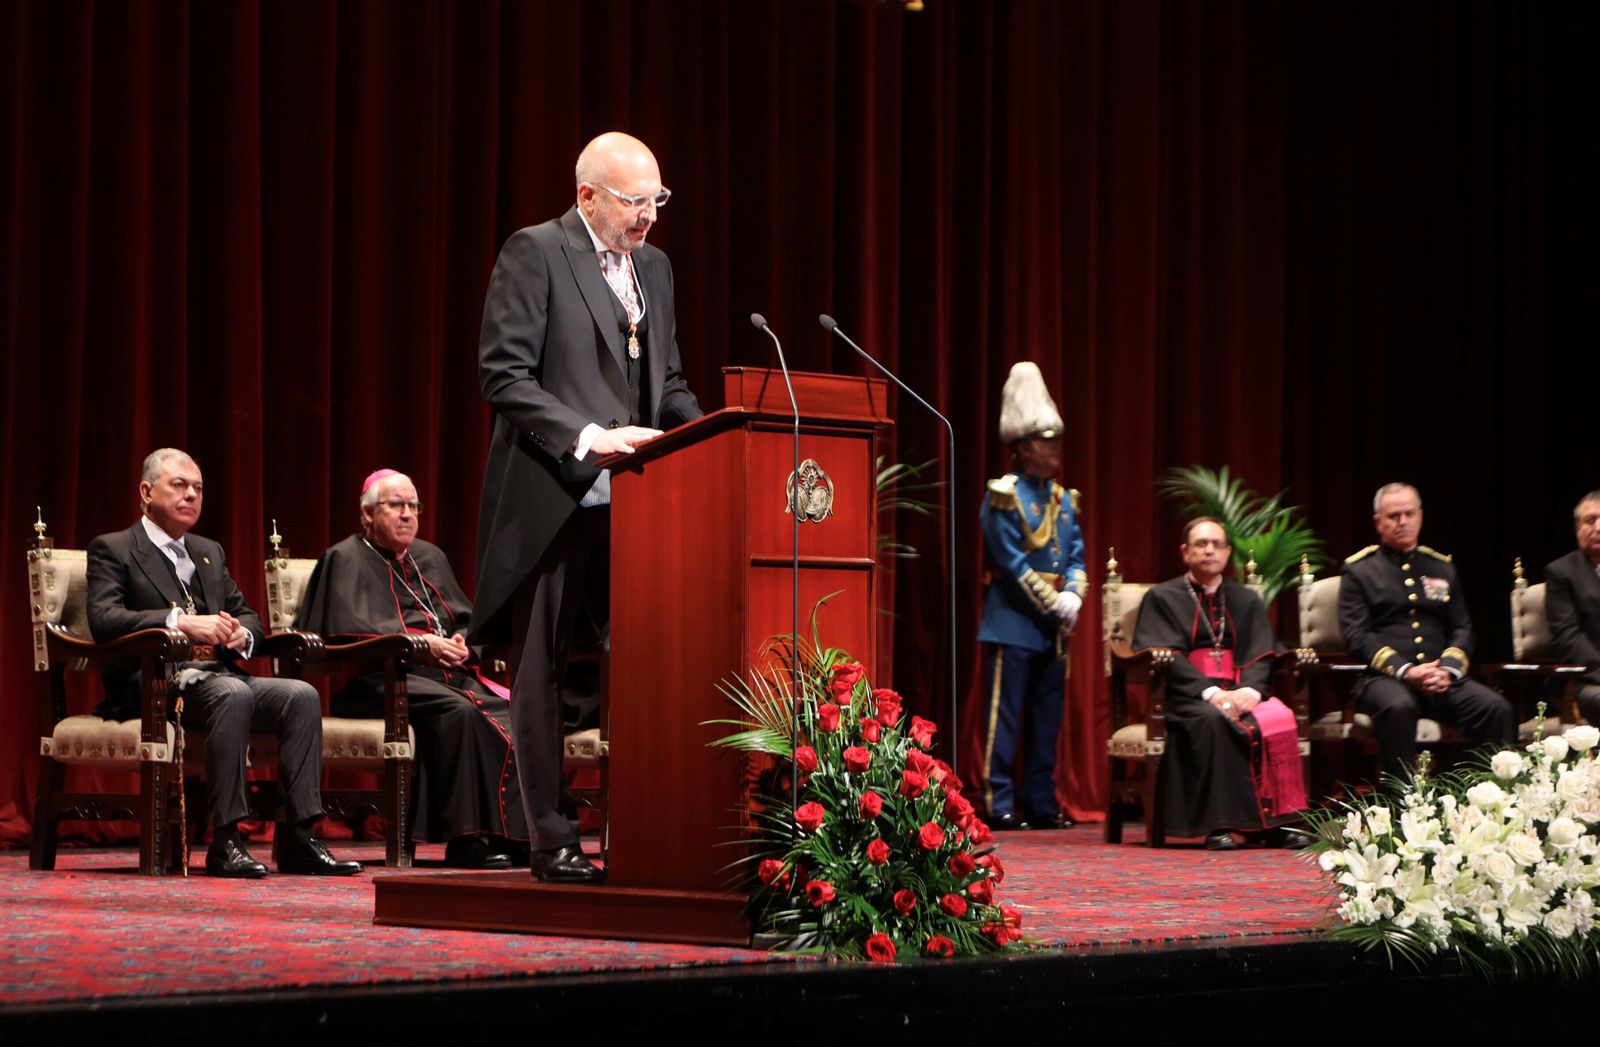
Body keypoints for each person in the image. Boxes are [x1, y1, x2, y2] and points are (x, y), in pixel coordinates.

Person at [471, 132, 702, 883]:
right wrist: (590, 436)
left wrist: (698, 436)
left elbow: (665, 381)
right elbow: (502, 375)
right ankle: (551, 838)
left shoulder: (656, 269)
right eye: (635, 202)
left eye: (656, 201)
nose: (648, 219)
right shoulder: (536, 252)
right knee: (540, 675)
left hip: (639, 507)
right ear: (587, 196)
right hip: (551, 497)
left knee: (641, 665)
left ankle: (641, 825)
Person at [86, 448, 361, 879]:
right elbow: (104, 620)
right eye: (179, 485)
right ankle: (226, 840)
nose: (191, 495)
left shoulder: (207, 550)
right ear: (146, 491)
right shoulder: (116, 549)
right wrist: (181, 622)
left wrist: (243, 634)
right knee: (232, 694)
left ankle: (301, 837)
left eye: (197, 488)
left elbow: (246, 613)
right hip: (159, 684)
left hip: (219, 675)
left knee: (300, 695)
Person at [295, 469, 530, 869]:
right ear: (368, 514)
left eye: (413, 506)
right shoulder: (344, 558)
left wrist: (461, 642)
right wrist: (421, 646)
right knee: (463, 714)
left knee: (516, 714)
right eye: (396, 505)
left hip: (445, 679)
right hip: (380, 682)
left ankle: (514, 835)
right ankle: (465, 839)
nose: (407, 515)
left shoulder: (429, 556)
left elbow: (461, 619)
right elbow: (341, 636)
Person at [1131, 517, 1309, 850]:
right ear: (1185, 552)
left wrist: (1251, 693)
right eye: (1201, 544)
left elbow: (1263, 651)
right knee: (1215, 720)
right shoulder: (1162, 596)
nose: (1210, 550)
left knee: (1278, 717)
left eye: (1217, 544)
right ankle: (1219, 826)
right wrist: (1212, 693)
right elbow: (1163, 655)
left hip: (1242, 690)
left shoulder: (1246, 598)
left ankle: (1278, 824)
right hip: (1189, 696)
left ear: (1228, 553)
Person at [1338, 482, 1515, 780]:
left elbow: (1462, 628)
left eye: (1409, 513)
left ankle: (1486, 799)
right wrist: (1406, 671)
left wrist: (1447, 670)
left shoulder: (1441, 567)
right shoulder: (1359, 571)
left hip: (1440, 678)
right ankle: (1402, 804)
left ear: (1420, 516)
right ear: (1378, 522)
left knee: (1497, 709)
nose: (1402, 521)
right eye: (1394, 515)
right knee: (1399, 706)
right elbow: (1357, 636)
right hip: (1384, 680)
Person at [975, 362, 1086, 830]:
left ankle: (1040, 800)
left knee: (1047, 720)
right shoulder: (1004, 495)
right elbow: (1012, 563)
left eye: (1057, 439)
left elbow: (1076, 554)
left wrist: (1076, 595)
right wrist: (1053, 601)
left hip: (1055, 625)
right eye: (1045, 440)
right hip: (1014, 619)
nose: (1055, 448)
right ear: (1021, 447)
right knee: (1005, 719)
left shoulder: (1063, 499)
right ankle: (998, 801)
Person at [1545, 491, 1600, 724]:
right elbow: (1568, 639)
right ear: (1578, 529)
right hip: (1587, 679)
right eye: (1590, 520)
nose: (1598, 527)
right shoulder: (1561, 573)